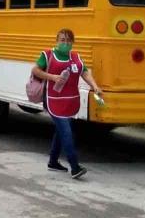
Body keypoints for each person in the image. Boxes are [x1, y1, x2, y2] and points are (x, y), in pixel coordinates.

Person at [32, 28, 102, 179]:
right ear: (57, 41)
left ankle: (53, 162)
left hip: (70, 100)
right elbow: (36, 70)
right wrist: (52, 77)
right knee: (67, 132)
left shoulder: (76, 57)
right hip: (53, 100)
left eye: (69, 40)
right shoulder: (48, 55)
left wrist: (94, 86)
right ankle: (75, 167)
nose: (65, 43)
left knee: (61, 130)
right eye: (62, 40)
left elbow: (84, 71)